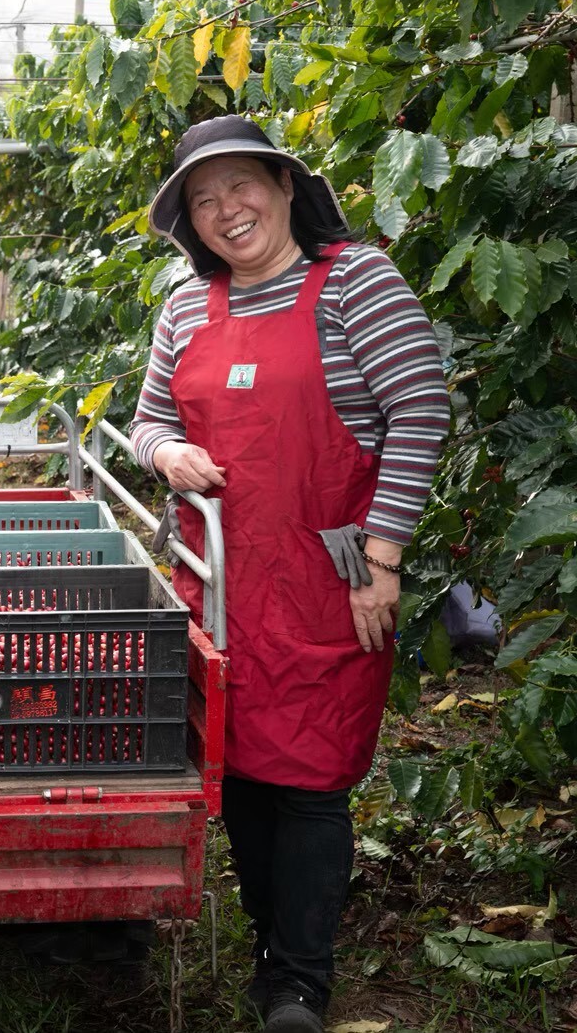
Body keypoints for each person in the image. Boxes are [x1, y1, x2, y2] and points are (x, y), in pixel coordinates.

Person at [131, 115, 449, 1033]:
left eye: (242, 185)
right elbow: (150, 417)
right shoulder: (188, 305)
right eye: (203, 197)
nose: (227, 209)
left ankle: (300, 982)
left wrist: (383, 555)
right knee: (242, 772)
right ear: (189, 221)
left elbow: (420, 407)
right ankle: (275, 946)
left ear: (284, 187)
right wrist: (168, 454)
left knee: (312, 776)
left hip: (328, 574)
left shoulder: (356, 283)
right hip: (221, 576)